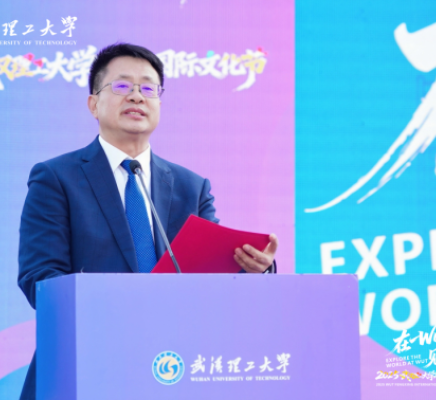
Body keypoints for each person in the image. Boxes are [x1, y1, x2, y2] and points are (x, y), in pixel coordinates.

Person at [17, 43, 278, 399]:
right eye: (122, 86)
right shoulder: (56, 178)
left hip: (172, 366)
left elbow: (214, 279)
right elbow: (40, 280)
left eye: (148, 88)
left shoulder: (191, 187)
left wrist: (253, 268)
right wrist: (118, 306)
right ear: (93, 104)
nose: (137, 96)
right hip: (85, 362)